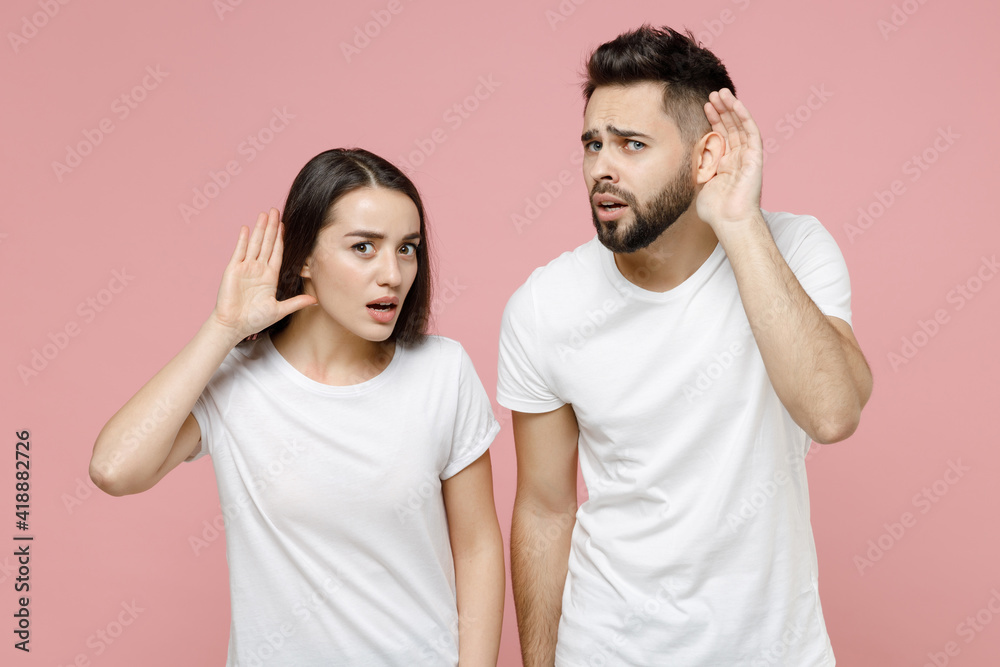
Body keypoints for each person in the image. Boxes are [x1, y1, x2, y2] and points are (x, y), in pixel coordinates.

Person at [499, 25, 873, 666]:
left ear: (705, 157)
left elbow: (833, 412)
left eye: (632, 144)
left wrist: (739, 224)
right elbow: (544, 508)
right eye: (593, 144)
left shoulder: (795, 249)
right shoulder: (544, 305)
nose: (602, 168)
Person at [90, 148, 505, 666]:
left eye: (407, 249)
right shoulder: (236, 379)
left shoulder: (442, 371)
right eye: (363, 247)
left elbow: (478, 548)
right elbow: (113, 469)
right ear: (304, 257)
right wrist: (223, 329)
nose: (393, 274)